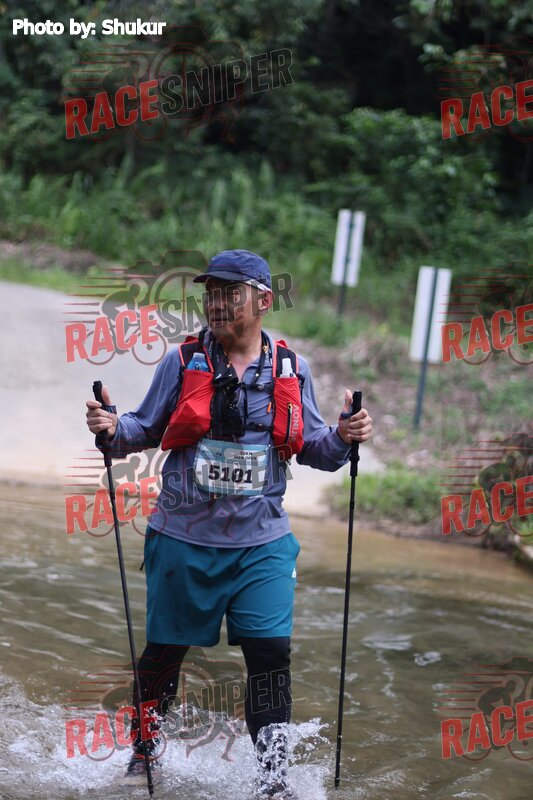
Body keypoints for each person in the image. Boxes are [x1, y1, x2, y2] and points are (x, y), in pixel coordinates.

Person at [86, 249, 373, 799]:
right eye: (211, 293)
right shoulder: (182, 362)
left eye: (229, 293)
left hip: (262, 544)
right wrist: (109, 426)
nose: (216, 304)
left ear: (262, 301)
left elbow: (318, 449)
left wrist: (345, 435)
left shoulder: (291, 369)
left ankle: (273, 780)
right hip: (182, 538)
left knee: (270, 657)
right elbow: (140, 430)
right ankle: (143, 756)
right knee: (164, 655)